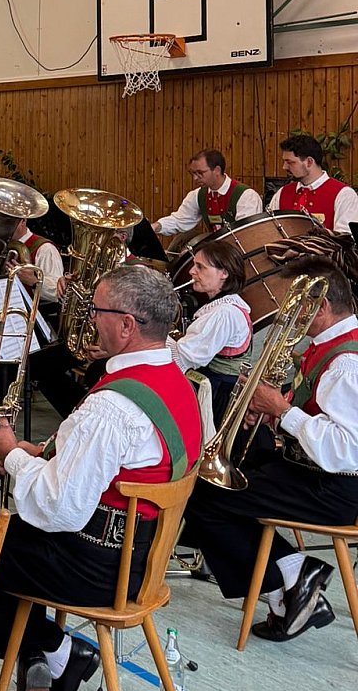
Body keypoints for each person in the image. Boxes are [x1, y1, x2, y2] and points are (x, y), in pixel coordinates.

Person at [0, 266, 202, 691]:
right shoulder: (177, 381)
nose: (90, 319)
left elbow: (58, 507)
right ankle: (43, 653)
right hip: (142, 557)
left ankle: (57, 649)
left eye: (97, 310)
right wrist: (46, 454)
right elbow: (116, 465)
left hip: (97, 568)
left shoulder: (111, 406)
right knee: (9, 546)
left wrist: (10, 456)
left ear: (127, 325)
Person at [181, 258, 358, 642]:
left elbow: (345, 449)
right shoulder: (332, 346)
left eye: (297, 306)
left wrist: (281, 410)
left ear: (322, 307)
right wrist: (270, 415)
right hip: (312, 470)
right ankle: (291, 585)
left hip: (334, 487)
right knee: (230, 474)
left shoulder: (347, 363)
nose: (288, 315)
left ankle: (291, 578)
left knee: (203, 498)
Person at [167, 233, 252, 424]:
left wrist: (152, 331)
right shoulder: (223, 307)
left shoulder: (224, 313)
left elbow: (184, 358)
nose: (192, 271)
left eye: (200, 267)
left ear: (224, 273)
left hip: (217, 399)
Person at [153, 149, 261, 240]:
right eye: (193, 173)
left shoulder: (246, 196)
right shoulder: (198, 195)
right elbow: (180, 220)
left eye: (200, 173)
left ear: (217, 170)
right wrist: (156, 226)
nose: (195, 178)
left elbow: (247, 235)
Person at [267, 134, 358, 235]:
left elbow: (345, 239)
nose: (284, 167)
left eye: (290, 162)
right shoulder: (282, 193)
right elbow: (268, 232)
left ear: (309, 162)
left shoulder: (344, 195)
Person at [9, 217, 63, 303]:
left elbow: (57, 292)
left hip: (30, 310)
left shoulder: (45, 249)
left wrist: (33, 281)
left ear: (23, 220)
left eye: (8, 222)